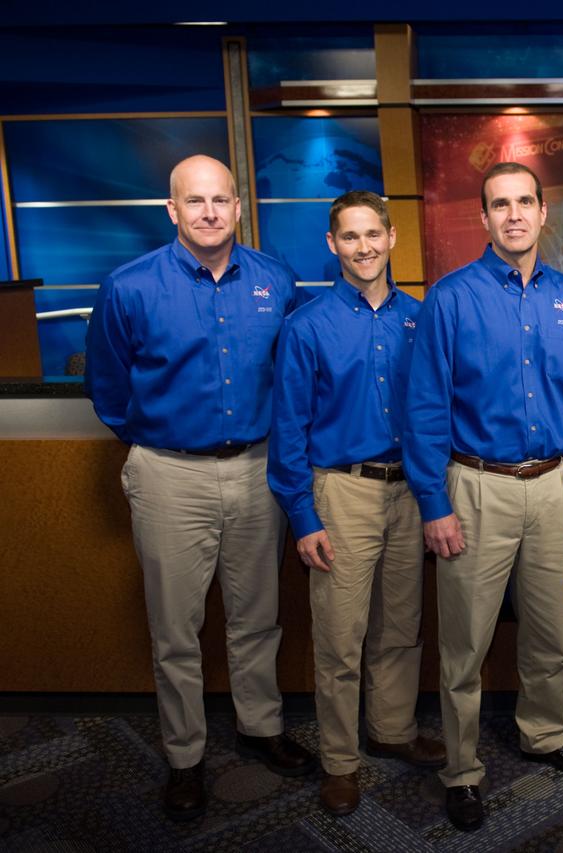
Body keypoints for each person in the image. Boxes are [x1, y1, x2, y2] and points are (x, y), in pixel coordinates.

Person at [85, 155, 315, 822]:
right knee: (175, 630)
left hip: (257, 469)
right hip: (168, 471)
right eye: (195, 201)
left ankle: (260, 725)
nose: (209, 212)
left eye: (221, 200)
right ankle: (185, 756)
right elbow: (109, 388)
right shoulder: (130, 287)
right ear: (173, 210)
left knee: (256, 615)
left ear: (239, 207)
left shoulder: (275, 279)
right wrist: (161, 438)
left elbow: (294, 375)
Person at [403, 162, 563, 833]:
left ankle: (544, 733)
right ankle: (462, 770)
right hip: (475, 487)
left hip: (553, 485)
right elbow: (425, 408)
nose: (514, 215)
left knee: (551, 631)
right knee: (464, 643)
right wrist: (433, 502)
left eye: (525, 202)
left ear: (544, 213)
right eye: (499, 204)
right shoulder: (450, 299)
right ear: (483, 218)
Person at [268, 191, 445, 816]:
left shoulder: (422, 319)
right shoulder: (306, 326)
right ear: (332, 244)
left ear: (392, 237)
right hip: (340, 492)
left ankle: (391, 730)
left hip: (411, 492)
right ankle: (340, 761)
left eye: (373, 234)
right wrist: (303, 516)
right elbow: (287, 431)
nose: (364, 247)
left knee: (400, 627)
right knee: (341, 638)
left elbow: (436, 414)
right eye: (350, 237)